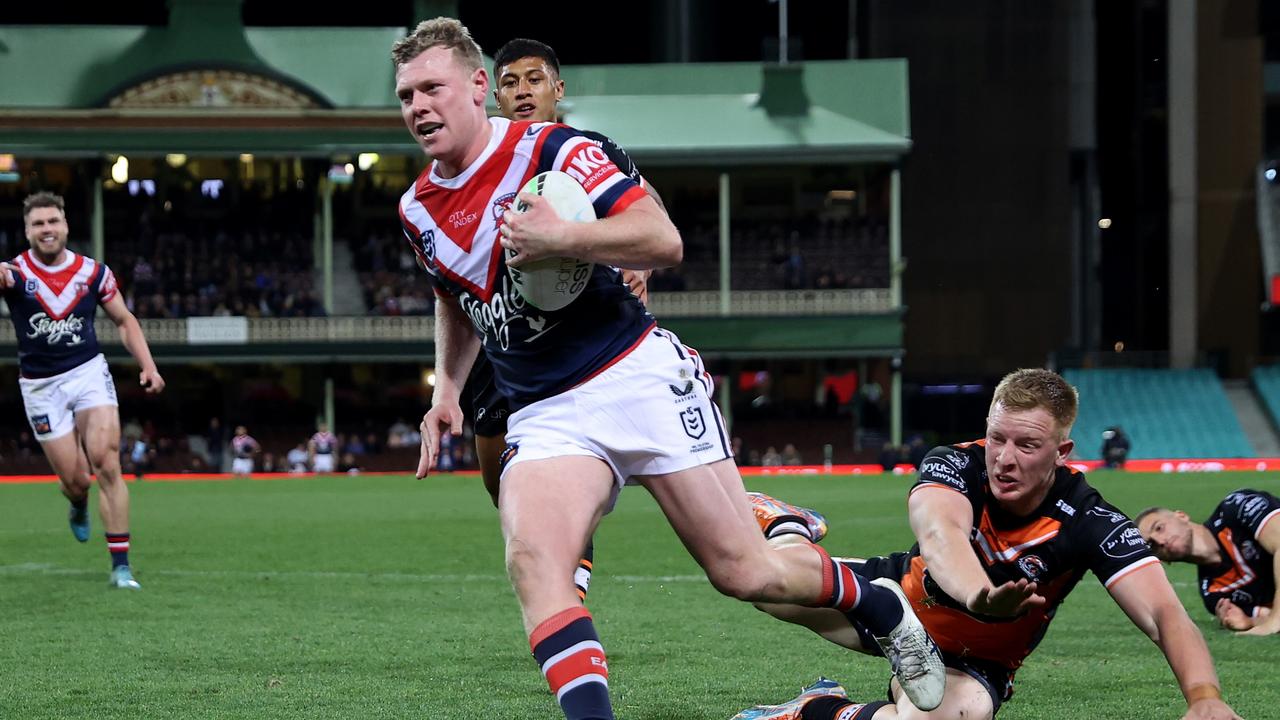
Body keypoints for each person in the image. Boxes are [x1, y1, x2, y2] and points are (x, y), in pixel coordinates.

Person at [396, 19, 943, 720]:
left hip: (634, 377)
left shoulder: (558, 150)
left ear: (476, 88)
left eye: (433, 87)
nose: (419, 106)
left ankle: (881, 605)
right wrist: (446, 386)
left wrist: (565, 238)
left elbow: (662, 239)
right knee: (536, 564)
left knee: (744, 572)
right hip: (545, 411)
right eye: (408, 94)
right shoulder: (416, 208)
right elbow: (452, 290)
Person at [734, 369, 1241, 720]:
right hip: (898, 605)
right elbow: (940, 536)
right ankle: (787, 524)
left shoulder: (1091, 519)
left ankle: (816, 708)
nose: (1003, 458)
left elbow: (1164, 613)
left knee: (957, 715)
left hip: (974, 661)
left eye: (1026, 445)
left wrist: (1203, 696)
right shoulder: (956, 463)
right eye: (997, 438)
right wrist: (979, 594)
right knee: (759, 581)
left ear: (1061, 452)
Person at [0, 191, 166, 590]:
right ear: (26, 230)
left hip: (88, 372)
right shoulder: (13, 274)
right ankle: (77, 504)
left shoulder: (94, 273)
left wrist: (148, 364)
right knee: (77, 481)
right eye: (38, 224)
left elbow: (124, 321)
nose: (46, 230)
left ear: (66, 225)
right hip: (40, 387)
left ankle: (121, 566)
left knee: (107, 461)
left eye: (52, 221)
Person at [1137, 489, 1280, 635]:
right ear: (1162, 560)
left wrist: (1274, 622)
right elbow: (1268, 615)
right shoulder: (1214, 594)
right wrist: (1250, 622)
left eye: (1159, 528)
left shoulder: (1236, 507)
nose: (1160, 541)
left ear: (1182, 516)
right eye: (1152, 545)